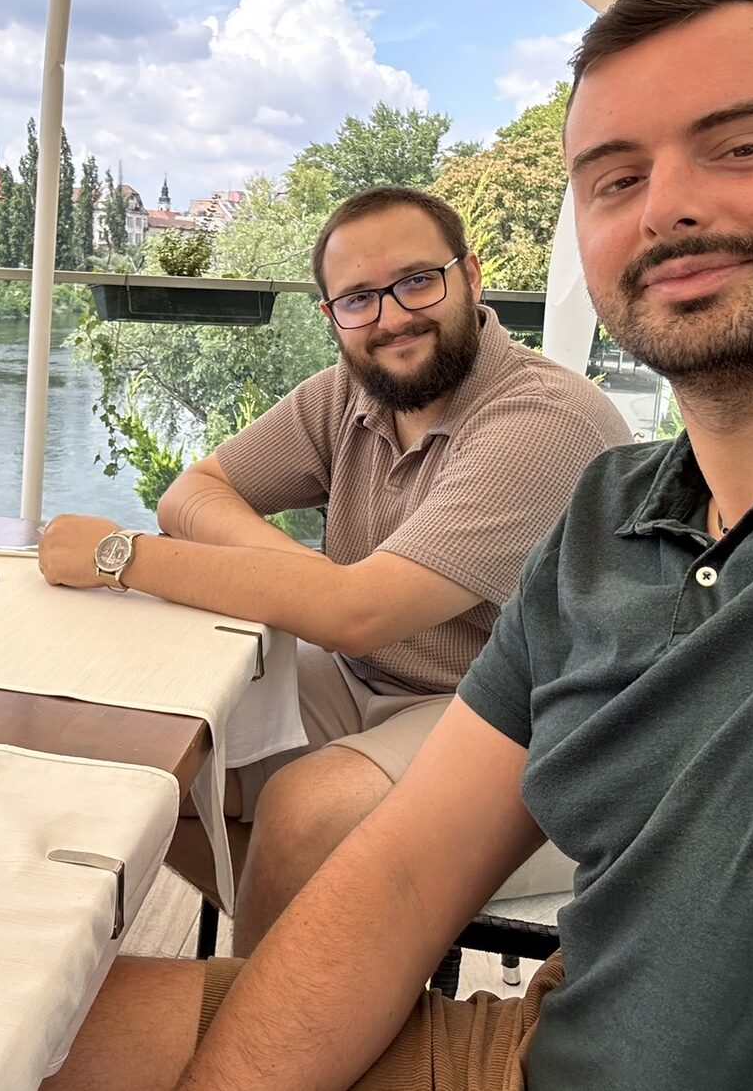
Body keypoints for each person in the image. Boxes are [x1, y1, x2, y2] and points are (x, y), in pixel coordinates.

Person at [43, 0, 753, 1090]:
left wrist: (138, 559)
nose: (668, 208)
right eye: (618, 178)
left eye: (740, 148)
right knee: (25, 1032)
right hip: (542, 1042)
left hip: (429, 730)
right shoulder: (607, 525)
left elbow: (356, 609)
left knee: (300, 811)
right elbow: (401, 876)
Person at [39, 186, 629, 953]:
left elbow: (359, 614)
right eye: (358, 298)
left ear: (471, 276)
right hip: (365, 680)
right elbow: (192, 494)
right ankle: (319, 963)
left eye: (417, 281)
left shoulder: (545, 419)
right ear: (331, 315)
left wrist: (119, 556)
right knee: (139, 745)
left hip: (530, 727)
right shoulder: (352, 393)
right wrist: (310, 579)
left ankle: (266, 1007)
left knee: (305, 813)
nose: (391, 316)